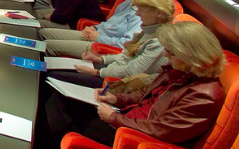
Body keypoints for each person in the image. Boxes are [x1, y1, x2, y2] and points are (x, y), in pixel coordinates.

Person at [42, 22, 225, 148]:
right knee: (58, 93)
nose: (166, 56)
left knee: (64, 109)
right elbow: (145, 92)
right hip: (127, 116)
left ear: (191, 56)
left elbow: (161, 131)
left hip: (132, 135)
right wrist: (117, 97)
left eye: (171, 52)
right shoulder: (180, 71)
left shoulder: (204, 95)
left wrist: (113, 117)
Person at [40, 0, 158, 58]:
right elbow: (108, 24)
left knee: (48, 45)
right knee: (43, 33)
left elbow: (127, 44)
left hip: (102, 45)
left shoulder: (142, 14)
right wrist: (95, 28)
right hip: (94, 34)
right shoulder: (127, 3)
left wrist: (98, 37)